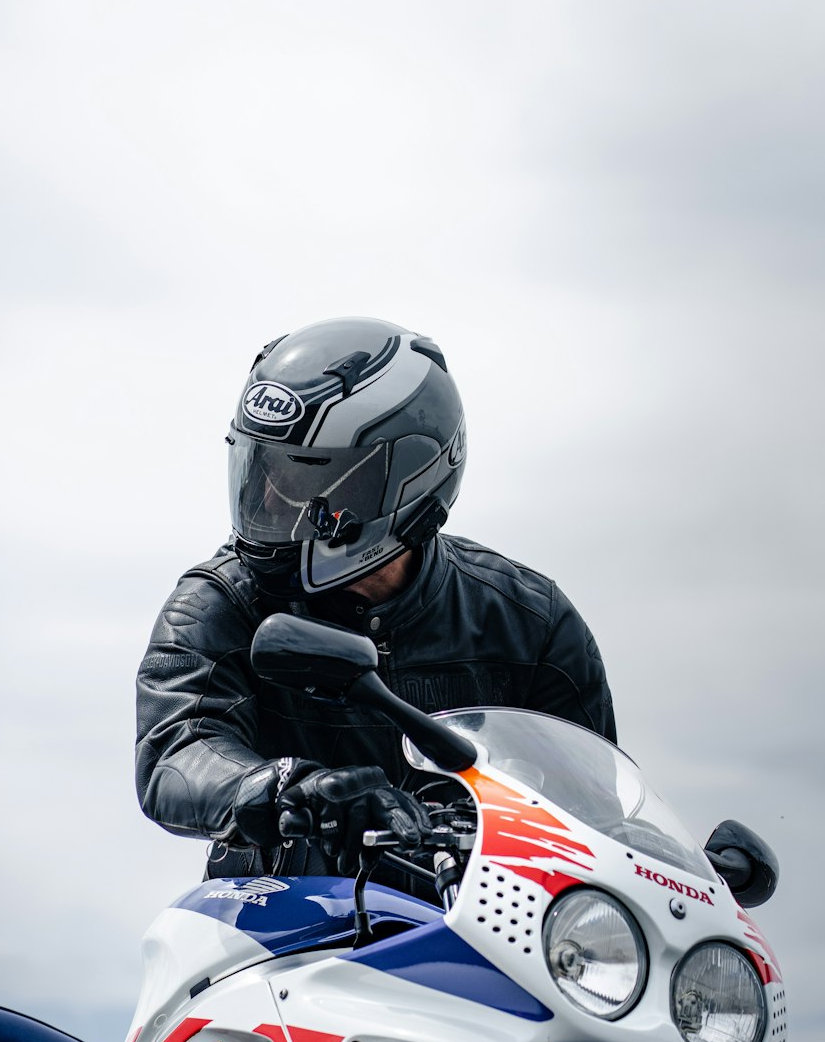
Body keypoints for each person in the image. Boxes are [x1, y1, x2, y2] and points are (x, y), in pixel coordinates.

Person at [135, 317, 616, 886]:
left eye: (308, 480)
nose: (273, 500)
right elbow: (177, 753)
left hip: (484, 943)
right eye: (264, 470)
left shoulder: (531, 622)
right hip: (276, 932)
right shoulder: (218, 602)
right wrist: (286, 787)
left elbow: (593, 811)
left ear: (410, 478)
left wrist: (678, 868)